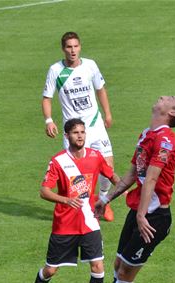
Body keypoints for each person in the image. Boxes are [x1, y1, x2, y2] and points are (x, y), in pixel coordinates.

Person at [67, 95, 175, 283]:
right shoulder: (147, 133)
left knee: (126, 271)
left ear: (173, 113)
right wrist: (105, 199)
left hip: (154, 218)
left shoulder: (166, 140)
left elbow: (153, 179)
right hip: (140, 212)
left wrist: (143, 215)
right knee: (119, 265)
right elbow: (134, 174)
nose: (163, 96)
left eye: (170, 98)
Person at [21, 118, 120, 283]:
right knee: (50, 270)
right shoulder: (58, 161)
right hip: (64, 225)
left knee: (97, 267)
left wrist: (114, 194)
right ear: (67, 136)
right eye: (75, 133)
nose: (80, 136)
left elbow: (114, 178)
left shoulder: (95, 157)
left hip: (89, 222)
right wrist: (65, 199)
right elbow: (44, 191)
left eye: (82, 132)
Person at [42, 31, 115, 221]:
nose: (72, 50)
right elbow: (47, 98)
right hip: (74, 130)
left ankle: (102, 201)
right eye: (69, 47)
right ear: (63, 49)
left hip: (95, 124)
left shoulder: (90, 65)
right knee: (78, 175)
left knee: (108, 168)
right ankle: (83, 209)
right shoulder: (56, 70)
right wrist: (48, 120)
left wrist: (107, 114)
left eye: (75, 46)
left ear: (80, 47)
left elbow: (101, 89)